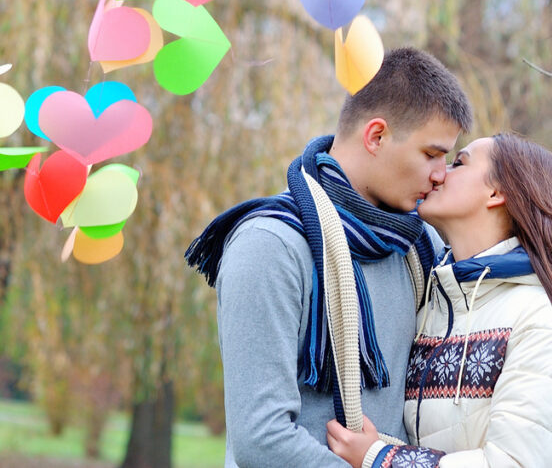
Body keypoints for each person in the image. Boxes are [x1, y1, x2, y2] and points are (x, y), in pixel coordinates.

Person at [185, 47, 472, 468]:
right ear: (376, 136)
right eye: (431, 154)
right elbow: (262, 441)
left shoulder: (419, 245)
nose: (441, 174)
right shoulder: (270, 245)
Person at [327, 133, 552, 468]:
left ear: (496, 193)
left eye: (458, 163)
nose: (439, 174)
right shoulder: (434, 304)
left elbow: (514, 463)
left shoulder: (539, 318)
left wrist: (381, 459)